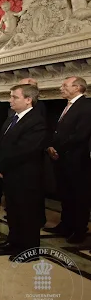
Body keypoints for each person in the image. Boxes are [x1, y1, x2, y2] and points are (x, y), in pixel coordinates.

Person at [0, 84, 46, 260]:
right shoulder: (12, 117)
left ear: (28, 100)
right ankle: (13, 242)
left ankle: (29, 251)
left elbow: (25, 150)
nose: (10, 100)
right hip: (11, 174)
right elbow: (2, 143)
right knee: (13, 210)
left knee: (27, 213)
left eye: (15, 97)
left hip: (26, 176)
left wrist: (1, 166)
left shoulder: (36, 121)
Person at [45, 77, 91, 244]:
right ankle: (65, 225)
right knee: (65, 193)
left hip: (77, 160)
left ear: (77, 87)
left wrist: (59, 149)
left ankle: (79, 230)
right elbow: (58, 131)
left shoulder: (86, 106)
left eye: (65, 85)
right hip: (62, 158)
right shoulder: (68, 105)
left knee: (79, 196)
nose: (61, 88)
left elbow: (80, 135)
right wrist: (50, 146)